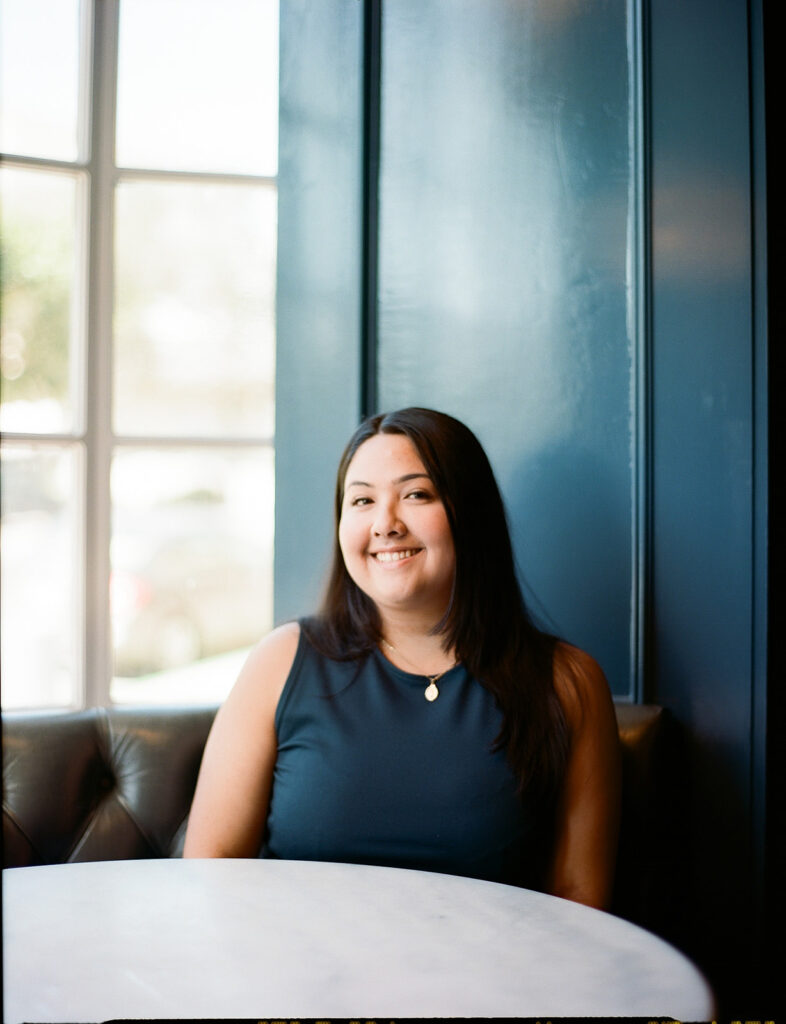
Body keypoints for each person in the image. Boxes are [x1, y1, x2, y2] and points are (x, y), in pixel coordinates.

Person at [184, 407, 621, 909]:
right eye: (363, 500)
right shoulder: (280, 662)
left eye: (416, 494)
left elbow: (579, 904)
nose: (385, 524)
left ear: (469, 512)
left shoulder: (568, 683)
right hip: (299, 979)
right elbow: (210, 870)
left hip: (485, 985)